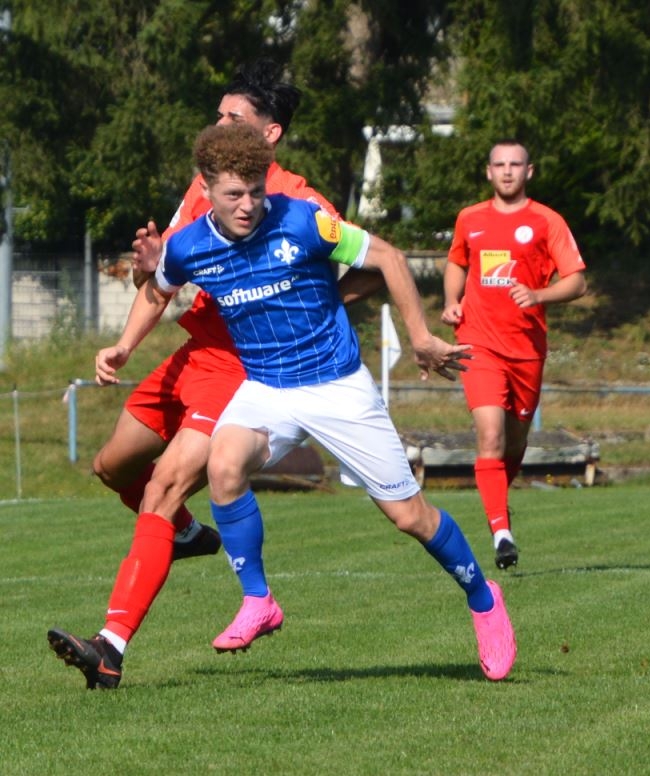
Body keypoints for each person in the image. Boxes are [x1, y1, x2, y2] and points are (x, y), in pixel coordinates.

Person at [95, 124, 516, 680]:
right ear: (206, 188)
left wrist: (419, 336)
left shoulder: (303, 220)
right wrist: (125, 346)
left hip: (336, 386)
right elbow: (158, 287)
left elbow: (388, 257)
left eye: (255, 191)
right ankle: (258, 600)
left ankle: (483, 598)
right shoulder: (190, 244)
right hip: (266, 388)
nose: (247, 205)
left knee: (409, 516)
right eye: (233, 194)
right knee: (223, 463)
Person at [48, 60, 381, 690]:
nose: (220, 123)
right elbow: (165, 274)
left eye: (235, 117)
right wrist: (125, 338)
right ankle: (186, 536)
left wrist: (316, 307)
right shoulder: (206, 184)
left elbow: (371, 265)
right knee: (112, 467)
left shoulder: (300, 201)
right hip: (192, 353)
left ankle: (109, 648)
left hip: (242, 369)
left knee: (163, 486)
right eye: (219, 113)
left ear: (270, 134)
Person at [442, 140, 587, 571]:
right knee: (489, 435)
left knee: (514, 440)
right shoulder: (470, 218)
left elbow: (577, 281)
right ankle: (501, 532)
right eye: (500, 164)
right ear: (489, 171)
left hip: (526, 349)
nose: (507, 171)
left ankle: (497, 504)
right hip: (478, 342)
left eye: (515, 164)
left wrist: (539, 294)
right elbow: (457, 262)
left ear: (529, 171)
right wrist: (451, 301)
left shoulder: (547, 221)